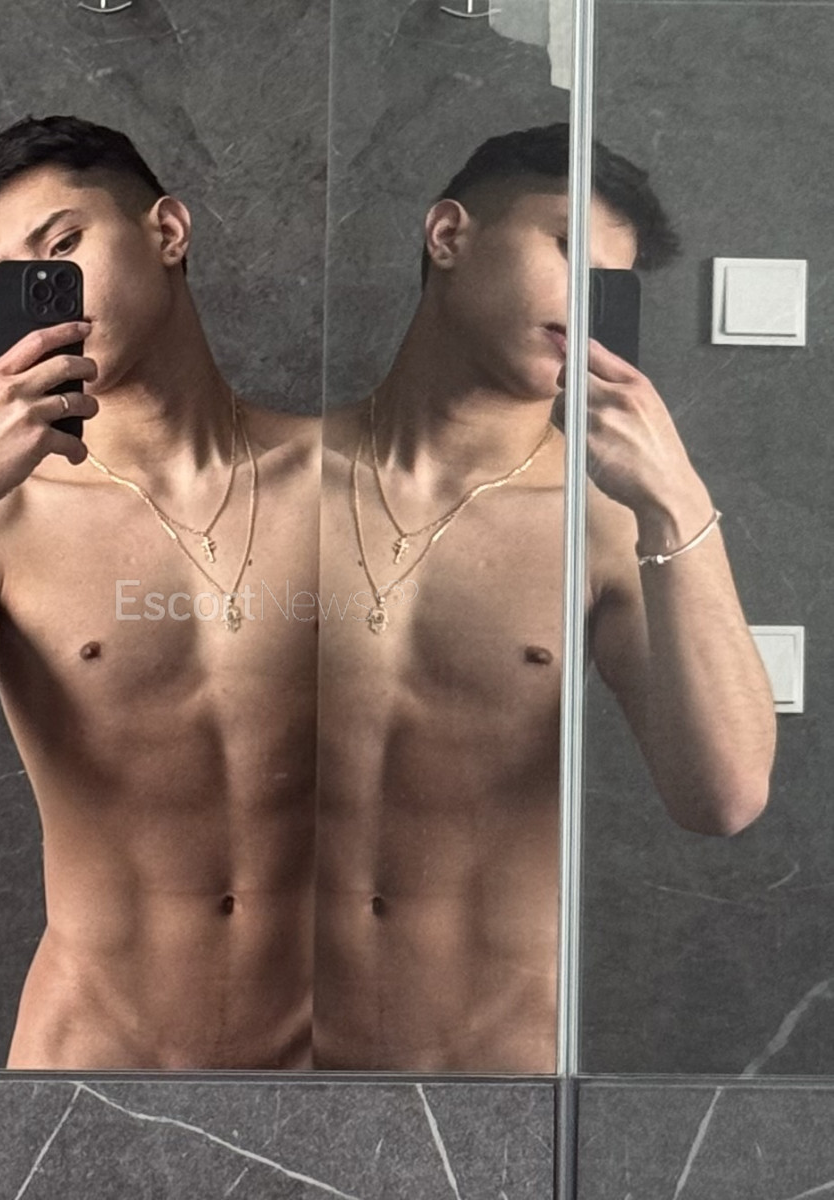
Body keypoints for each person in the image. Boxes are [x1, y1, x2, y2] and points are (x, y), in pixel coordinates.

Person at [0, 116, 319, 1069]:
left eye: (62, 246)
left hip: (327, 1069)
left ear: (167, 232)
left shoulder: (347, 482)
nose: (45, 294)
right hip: (90, 1061)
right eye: (9, 284)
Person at [314, 124, 776, 1072]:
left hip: (492, 1080)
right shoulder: (270, 479)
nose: (586, 299)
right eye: (565, 249)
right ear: (449, 236)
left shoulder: (603, 523)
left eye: (611, 281)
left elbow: (724, 796)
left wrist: (676, 502)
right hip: (251, 1068)